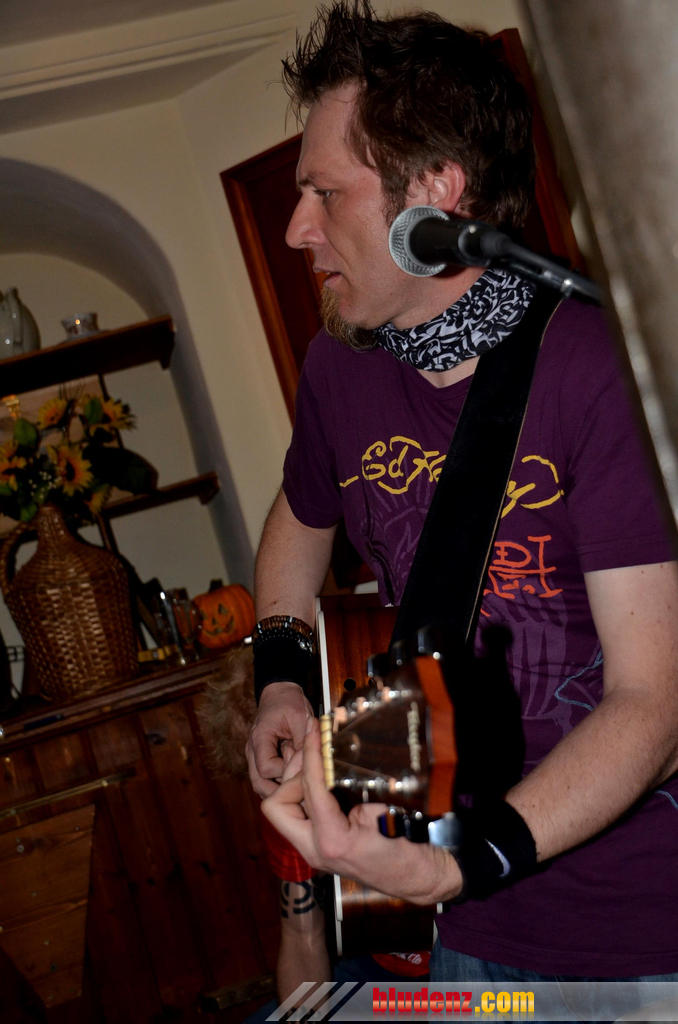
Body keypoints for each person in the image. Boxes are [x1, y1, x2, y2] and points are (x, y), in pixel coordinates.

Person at [246, 0, 678, 995]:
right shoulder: (339, 368)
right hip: (462, 928)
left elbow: (657, 703)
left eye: (324, 192)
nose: (297, 227)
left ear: (435, 200)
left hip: (640, 931)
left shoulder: (598, 367)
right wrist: (280, 674)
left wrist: (461, 865)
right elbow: (299, 521)